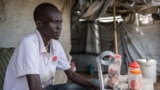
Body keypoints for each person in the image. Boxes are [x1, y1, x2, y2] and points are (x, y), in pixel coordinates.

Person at [3, 2, 99, 90]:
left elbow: (70, 74)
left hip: (47, 88)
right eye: (55, 22)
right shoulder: (28, 43)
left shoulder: (55, 45)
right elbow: (35, 88)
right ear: (39, 24)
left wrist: (95, 87)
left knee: (88, 85)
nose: (59, 27)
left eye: (60, 22)